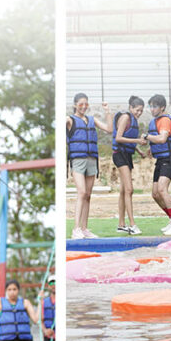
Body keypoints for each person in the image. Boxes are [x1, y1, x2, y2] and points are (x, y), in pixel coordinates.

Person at [67, 93, 112, 239]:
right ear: (75, 105)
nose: (84, 106)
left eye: (86, 104)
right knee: (81, 192)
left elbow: (109, 129)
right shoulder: (69, 120)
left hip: (92, 160)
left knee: (88, 195)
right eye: (81, 104)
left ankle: (85, 228)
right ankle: (76, 229)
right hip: (78, 160)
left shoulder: (92, 120)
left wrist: (107, 111)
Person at [106, 97, 148, 235]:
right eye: (137, 110)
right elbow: (118, 138)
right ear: (131, 107)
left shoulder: (134, 120)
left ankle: (121, 225)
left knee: (124, 191)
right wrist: (137, 140)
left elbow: (127, 140)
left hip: (127, 155)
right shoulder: (125, 118)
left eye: (141, 111)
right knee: (129, 190)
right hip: (119, 155)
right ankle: (132, 225)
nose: (139, 113)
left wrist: (138, 150)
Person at [146, 94, 171, 235]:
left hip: (168, 159)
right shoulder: (155, 121)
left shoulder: (165, 120)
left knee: (162, 189)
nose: (152, 109)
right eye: (150, 106)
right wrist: (151, 148)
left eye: (155, 106)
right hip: (160, 159)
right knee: (155, 194)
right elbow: (159, 141)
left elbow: (162, 139)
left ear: (162, 107)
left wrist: (147, 137)